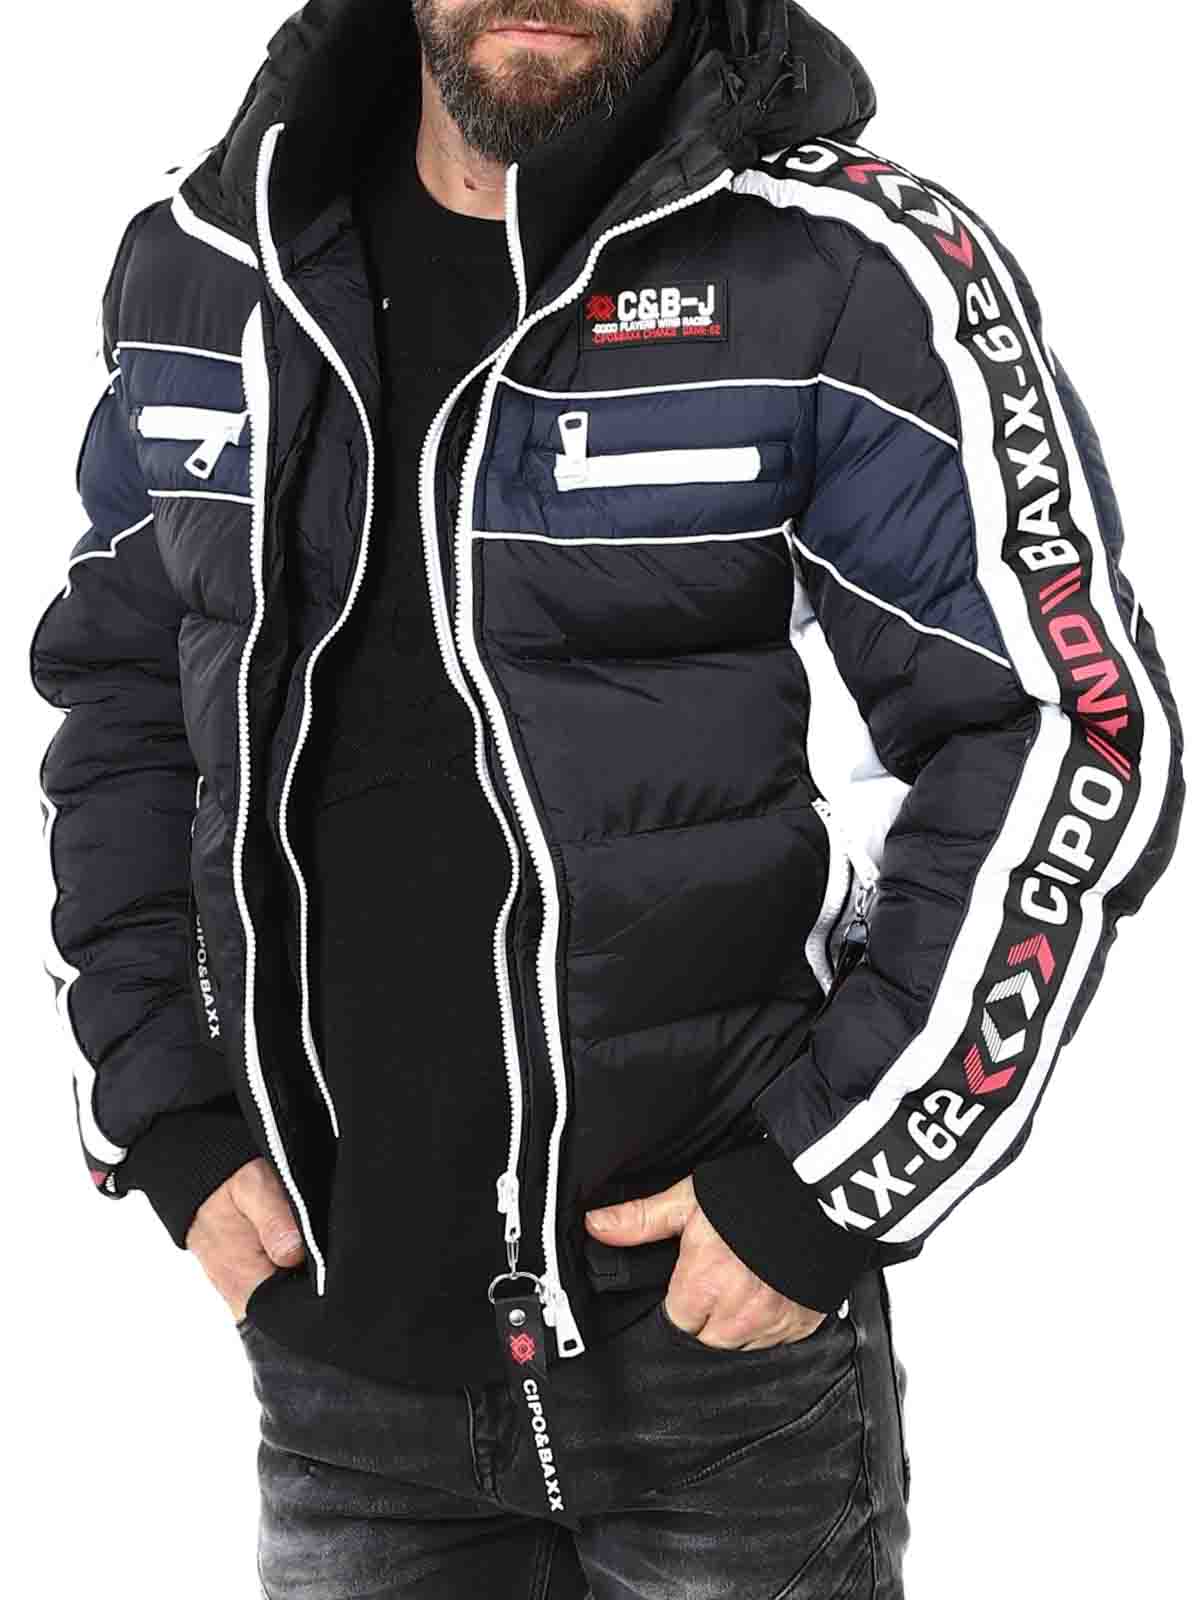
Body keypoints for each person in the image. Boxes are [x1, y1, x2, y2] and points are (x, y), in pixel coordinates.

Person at [30, 0, 1184, 1593]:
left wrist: (826, 1187)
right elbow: (124, 701)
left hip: (718, 1370)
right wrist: (158, 1108)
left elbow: (1065, 729)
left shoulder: (844, 267)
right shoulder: (208, 264)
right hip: (335, 1351)